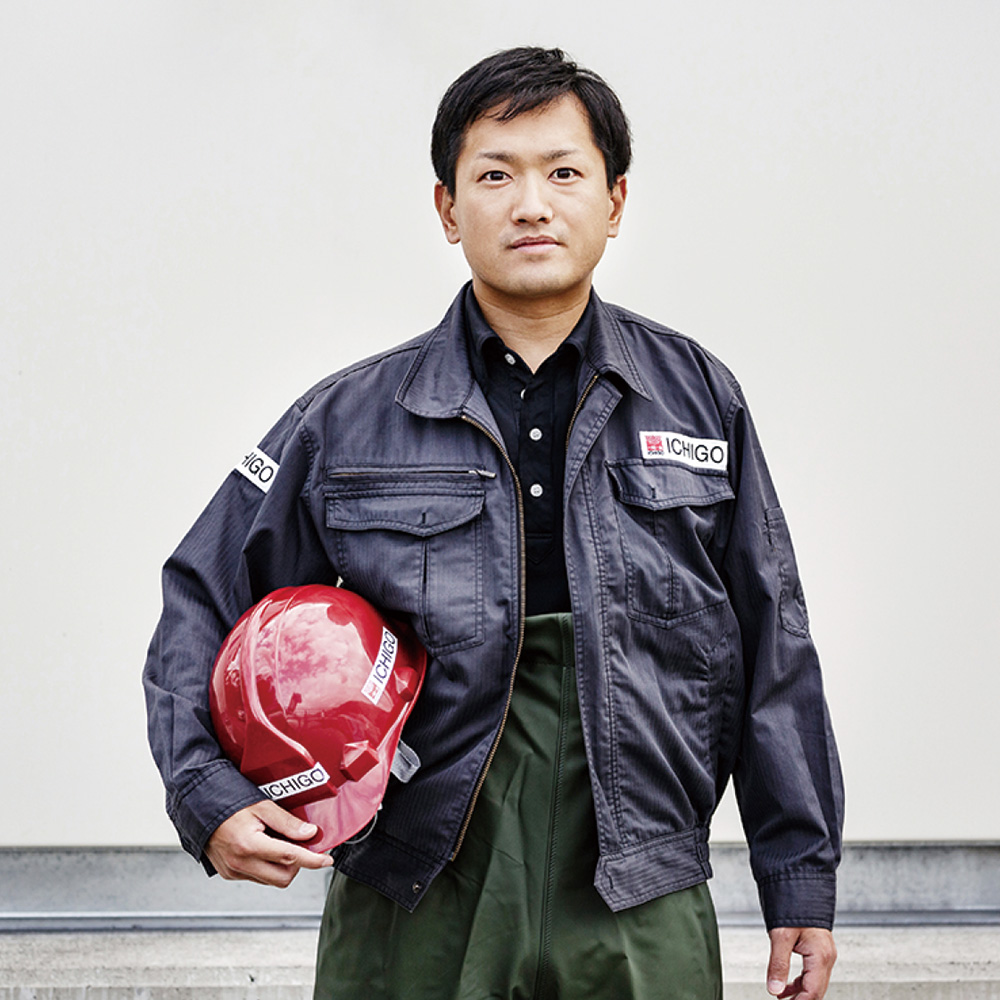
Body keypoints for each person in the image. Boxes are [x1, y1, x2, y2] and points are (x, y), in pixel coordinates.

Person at [144, 46, 843, 1000]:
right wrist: (209, 795)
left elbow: (773, 644)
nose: (531, 204)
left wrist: (798, 874)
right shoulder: (344, 420)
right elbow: (201, 593)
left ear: (616, 199)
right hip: (417, 886)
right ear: (446, 208)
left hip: (639, 884)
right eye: (495, 175)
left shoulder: (698, 403)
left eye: (564, 173)